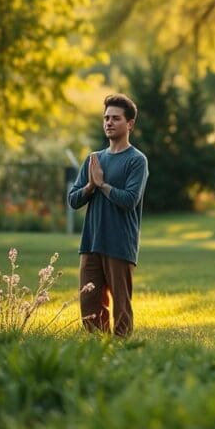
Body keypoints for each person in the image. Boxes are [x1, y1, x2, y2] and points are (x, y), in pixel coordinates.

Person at [69, 93, 149, 336]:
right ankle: (98, 349)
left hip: (119, 243)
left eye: (115, 118)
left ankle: (123, 350)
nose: (108, 123)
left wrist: (102, 185)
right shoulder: (94, 159)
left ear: (130, 124)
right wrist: (90, 186)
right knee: (89, 302)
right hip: (91, 243)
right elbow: (73, 200)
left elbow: (129, 200)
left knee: (121, 306)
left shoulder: (136, 161)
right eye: (106, 118)